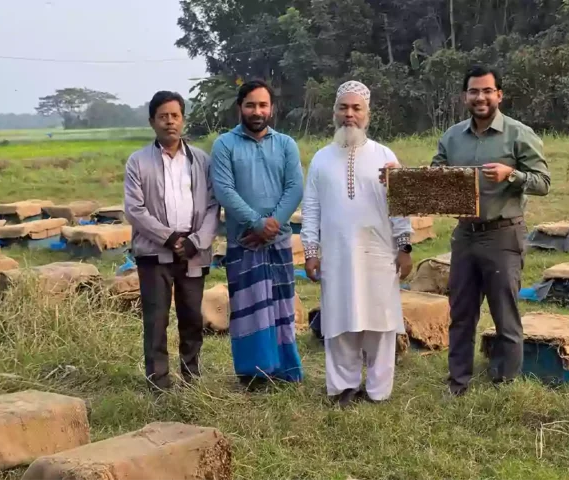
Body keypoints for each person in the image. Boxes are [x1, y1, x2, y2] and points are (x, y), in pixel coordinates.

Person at [385, 65, 550, 396]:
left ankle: (505, 383)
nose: (481, 97)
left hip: (504, 233)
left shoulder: (519, 134)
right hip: (465, 235)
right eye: (474, 91)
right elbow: (434, 178)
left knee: (505, 315)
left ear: (499, 95)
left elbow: (543, 182)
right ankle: (458, 382)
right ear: (465, 97)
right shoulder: (452, 136)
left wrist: (512, 175)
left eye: (488, 91)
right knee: (461, 313)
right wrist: (400, 178)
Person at [301, 80, 414, 407]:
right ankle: (343, 388)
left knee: (380, 324)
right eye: (343, 107)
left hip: (379, 254)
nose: (349, 115)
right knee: (339, 322)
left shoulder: (385, 156)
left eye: (356, 108)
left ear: (367, 114)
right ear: (334, 112)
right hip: (336, 255)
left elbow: (400, 205)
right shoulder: (321, 159)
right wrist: (310, 251)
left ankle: (379, 391)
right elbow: (311, 208)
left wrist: (404, 248)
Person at [210, 80, 304, 387]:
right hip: (244, 242)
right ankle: (254, 375)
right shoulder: (225, 145)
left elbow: (294, 188)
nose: (257, 111)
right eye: (250, 105)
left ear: (272, 109)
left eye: (263, 105)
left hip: (277, 241)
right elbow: (224, 190)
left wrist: (272, 223)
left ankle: (286, 371)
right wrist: (255, 223)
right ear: (240, 107)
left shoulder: (286, 144)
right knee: (250, 310)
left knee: (282, 305)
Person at [124, 90, 219, 392]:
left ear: (183, 120)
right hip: (154, 254)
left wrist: (195, 241)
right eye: (163, 116)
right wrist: (168, 238)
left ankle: (192, 377)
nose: (169, 122)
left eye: (175, 116)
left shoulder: (201, 160)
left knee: (192, 317)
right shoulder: (138, 162)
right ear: (152, 121)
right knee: (156, 320)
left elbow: (214, 205)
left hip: (193, 253)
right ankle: (159, 383)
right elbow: (134, 209)